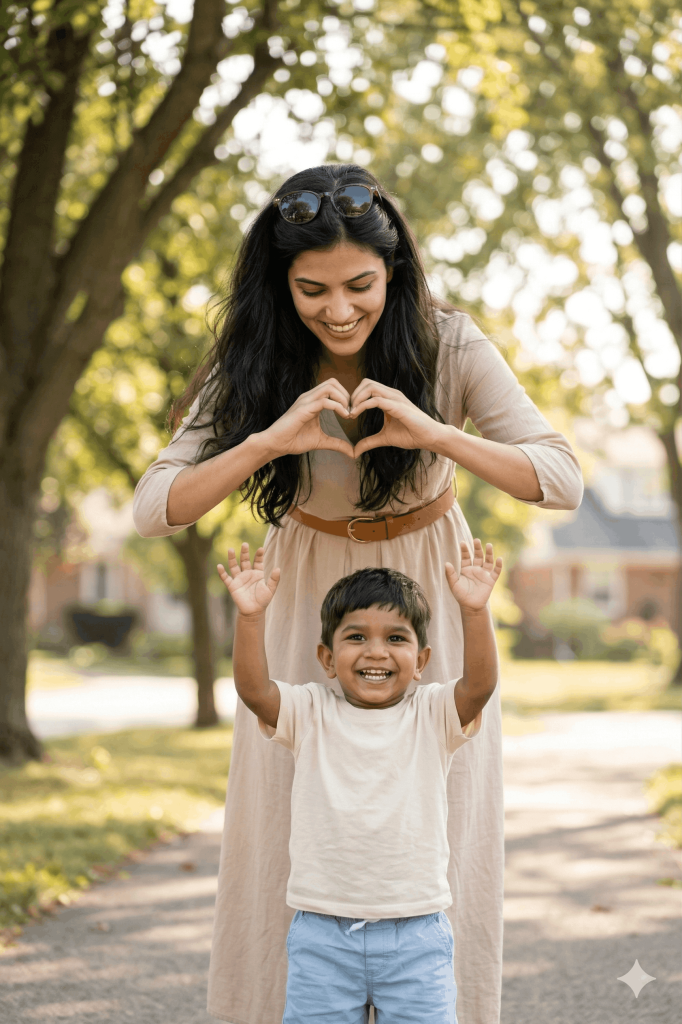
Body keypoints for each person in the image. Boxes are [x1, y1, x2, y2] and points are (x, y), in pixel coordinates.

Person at [132, 163, 583, 1024]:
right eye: (312, 290)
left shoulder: (448, 343)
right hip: (301, 594)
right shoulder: (258, 356)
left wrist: (434, 431)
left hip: (430, 599)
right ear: (281, 283)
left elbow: (559, 480)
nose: (338, 310)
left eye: (360, 286)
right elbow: (157, 508)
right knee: (285, 820)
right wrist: (267, 441)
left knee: (442, 819)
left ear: (395, 272)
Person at [217, 536, 502, 1024]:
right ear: (326, 658)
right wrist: (250, 618)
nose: (377, 652)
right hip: (322, 934)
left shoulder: (432, 712)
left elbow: (479, 686)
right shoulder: (309, 710)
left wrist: (475, 612)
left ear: (422, 661)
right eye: (356, 637)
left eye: (396, 638)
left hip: (417, 933)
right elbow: (254, 690)